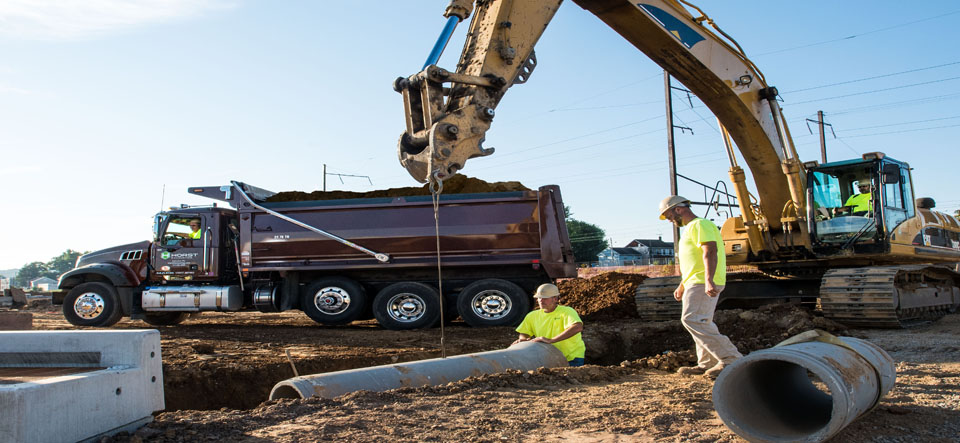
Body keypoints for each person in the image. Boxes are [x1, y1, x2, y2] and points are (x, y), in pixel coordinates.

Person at [658, 195, 742, 379]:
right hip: (694, 281)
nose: (670, 220)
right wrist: (682, 284)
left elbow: (710, 251)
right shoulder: (690, 229)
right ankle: (707, 363)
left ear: (678, 209)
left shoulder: (700, 225)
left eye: (669, 216)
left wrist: (709, 280)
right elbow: (693, 261)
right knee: (700, 321)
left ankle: (731, 358)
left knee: (693, 320)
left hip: (702, 281)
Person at [512, 283, 586, 367]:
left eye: (545, 298)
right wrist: (524, 340)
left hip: (570, 357)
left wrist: (551, 340)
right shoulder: (532, 316)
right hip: (547, 357)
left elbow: (577, 327)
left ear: (555, 299)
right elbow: (524, 332)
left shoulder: (566, 312)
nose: (540, 300)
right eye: (539, 298)